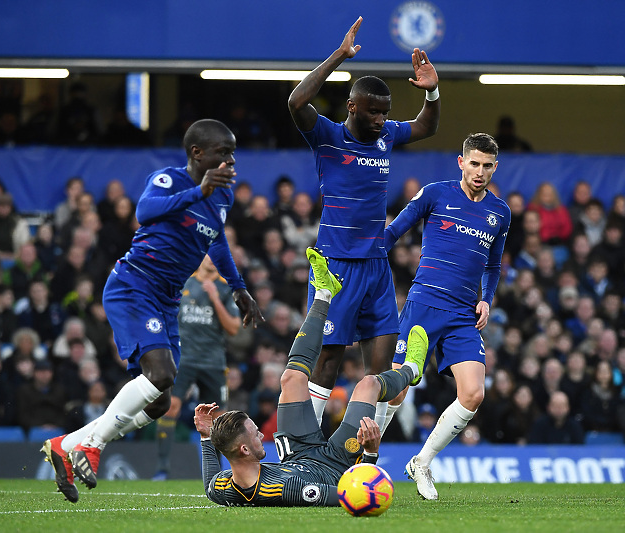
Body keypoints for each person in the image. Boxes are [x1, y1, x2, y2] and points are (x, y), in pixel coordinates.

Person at [40, 119, 263, 503]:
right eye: (222, 152)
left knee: (159, 401)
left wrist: (240, 288)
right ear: (197, 153)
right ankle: (91, 445)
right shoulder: (170, 180)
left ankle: (66, 444)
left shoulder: (222, 197)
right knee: (161, 374)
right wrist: (198, 190)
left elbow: (217, 243)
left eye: (232, 153)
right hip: (135, 284)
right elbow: (144, 211)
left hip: (166, 298)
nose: (230, 161)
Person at [287, 16, 440, 432]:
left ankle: (364, 452)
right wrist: (339, 55)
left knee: (380, 368)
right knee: (330, 358)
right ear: (352, 106)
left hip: (375, 266)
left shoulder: (387, 135)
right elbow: (295, 103)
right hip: (336, 266)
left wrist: (432, 92)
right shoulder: (328, 138)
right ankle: (306, 445)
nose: (380, 120)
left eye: (385, 113)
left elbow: (427, 126)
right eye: (373, 112)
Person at [194, 248, 427, 507]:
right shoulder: (290, 489)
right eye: (255, 433)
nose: (262, 435)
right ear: (244, 450)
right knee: (368, 383)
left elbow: (209, 484)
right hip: (337, 463)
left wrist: (206, 436)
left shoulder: (223, 488)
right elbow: (356, 496)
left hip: (296, 452)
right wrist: (371, 452)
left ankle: (324, 293)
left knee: (291, 379)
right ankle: (413, 370)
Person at [379, 133, 509, 500]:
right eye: (474, 163)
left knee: (473, 392)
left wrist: (487, 299)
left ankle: (422, 461)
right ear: (461, 162)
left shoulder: (500, 212)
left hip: (463, 313)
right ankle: (364, 458)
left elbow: (494, 264)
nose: (480, 171)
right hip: (424, 303)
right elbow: (393, 233)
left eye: (487, 165)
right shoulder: (436, 194)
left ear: (494, 167)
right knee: (397, 390)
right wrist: (365, 264)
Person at [152, 254, 241, 481]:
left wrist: (214, 298)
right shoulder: (184, 283)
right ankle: (162, 468)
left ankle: (219, 473)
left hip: (213, 362)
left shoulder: (224, 288)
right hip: (184, 360)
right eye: (207, 253)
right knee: (171, 406)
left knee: (219, 418)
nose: (211, 259)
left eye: (215, 254)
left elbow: (233, 328)